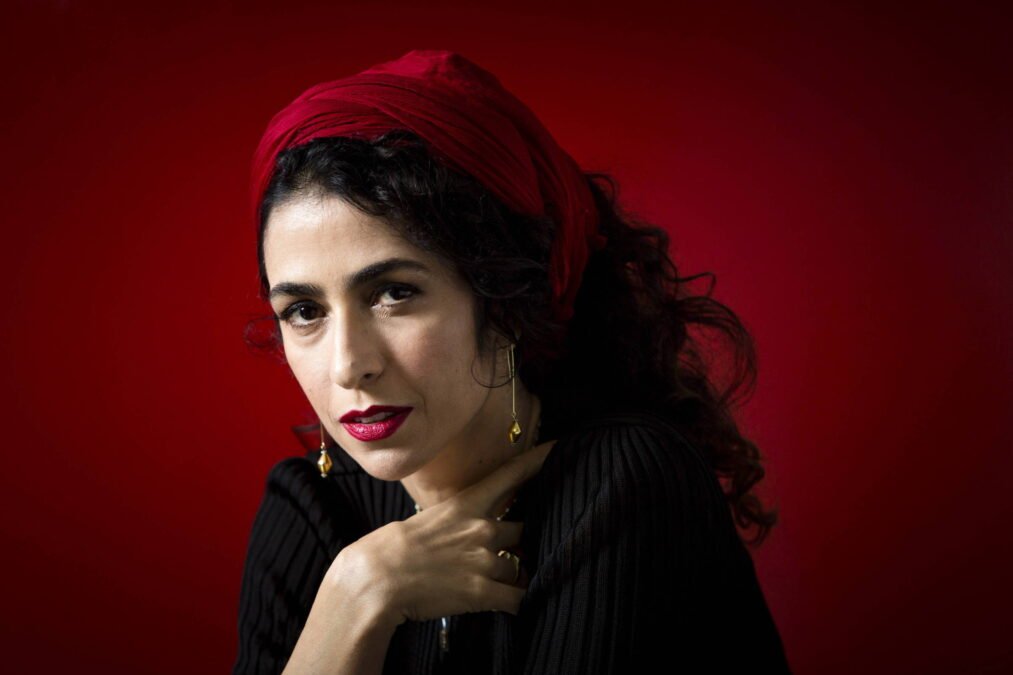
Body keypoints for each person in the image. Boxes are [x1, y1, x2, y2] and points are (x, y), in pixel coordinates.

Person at [232, 49, 791, 674]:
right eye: (304, 310)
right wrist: (356, 596)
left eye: (394, 293)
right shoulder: (309, 508)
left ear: (503, 302)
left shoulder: (620, 482)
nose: (346, 366)